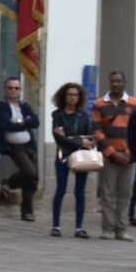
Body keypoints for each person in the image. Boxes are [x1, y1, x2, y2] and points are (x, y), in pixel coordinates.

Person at [51, 82, 95, 238]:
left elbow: (89, 137)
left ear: (80, 97)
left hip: (81, 156)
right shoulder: (58, 115)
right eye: (69, 94)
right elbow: (58, 138)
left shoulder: (83, 115)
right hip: (63, 156)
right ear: (64, 96)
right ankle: (56, 225)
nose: (72, 97)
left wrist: (71, 139)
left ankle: (79, 227)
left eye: (75, 95)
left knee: (80, 192)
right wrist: (79, 142)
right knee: (61, 189)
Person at [92, 72, 132, 240]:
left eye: (118, 81)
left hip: (129, 156)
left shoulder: (134, 103)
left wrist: (130, 152)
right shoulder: (99, 104)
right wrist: (112, 152)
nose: (115, 84)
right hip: (109, 155)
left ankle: (121, 229)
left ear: (125, 83)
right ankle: (107, 228)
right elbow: (97, 131)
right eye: (112, 81)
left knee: (125, 194)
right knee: (107, 194)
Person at [0, 76, 39, 221]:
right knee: (30, 171)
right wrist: (25, 122)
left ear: (21, 90)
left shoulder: (24, 106)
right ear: (4, 90)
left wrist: (19, 121)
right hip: (14, 147)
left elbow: (35, 122)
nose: (13, 90)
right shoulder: (3, 106)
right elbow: (5, 124)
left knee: (32, 180)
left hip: (29, 145)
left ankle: (27, 211)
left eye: (16, 88)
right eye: (10, 88)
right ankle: (8, 183)